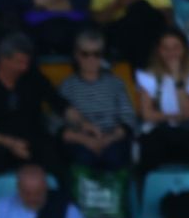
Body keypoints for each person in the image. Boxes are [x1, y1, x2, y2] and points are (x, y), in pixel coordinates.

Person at [0, 32, 79, 188]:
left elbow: (58, 103)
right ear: (3, 59)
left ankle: (64, 201)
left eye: (26, 62)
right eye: (19, 62)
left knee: (58, 159)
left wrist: (82, 123)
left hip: (34, 141)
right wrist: (12, 144)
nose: (24, 67)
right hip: (2, 143)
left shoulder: (34, 78)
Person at [133, 29, 189, 175]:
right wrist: (172, 116)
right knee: (150, 147)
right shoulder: (148, 77)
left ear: (184, 50)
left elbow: (188, 113)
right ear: (159, 51)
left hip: (188, 132)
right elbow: (147, 114)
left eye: (176, 48)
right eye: (165, 48)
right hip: (158, 132)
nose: (171, 53)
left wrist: (177, 78)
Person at [57, 28, 136, 171]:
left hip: (112, 139)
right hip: (81, 142)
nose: (91, 59)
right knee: (82, 158)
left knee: (115, 156)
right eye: (85, 54)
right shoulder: (67, 86)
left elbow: (128, 118)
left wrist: (108, 139)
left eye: (97, 54)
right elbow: (57, 124)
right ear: (76, 55)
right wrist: (86, 140)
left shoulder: (115, 83)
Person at [90, 0, 170, 67]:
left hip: (148, 36)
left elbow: (167, 19)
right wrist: (116, 4)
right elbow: (96, 22)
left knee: (140, 13)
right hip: (116, 36)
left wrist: (137, 1)